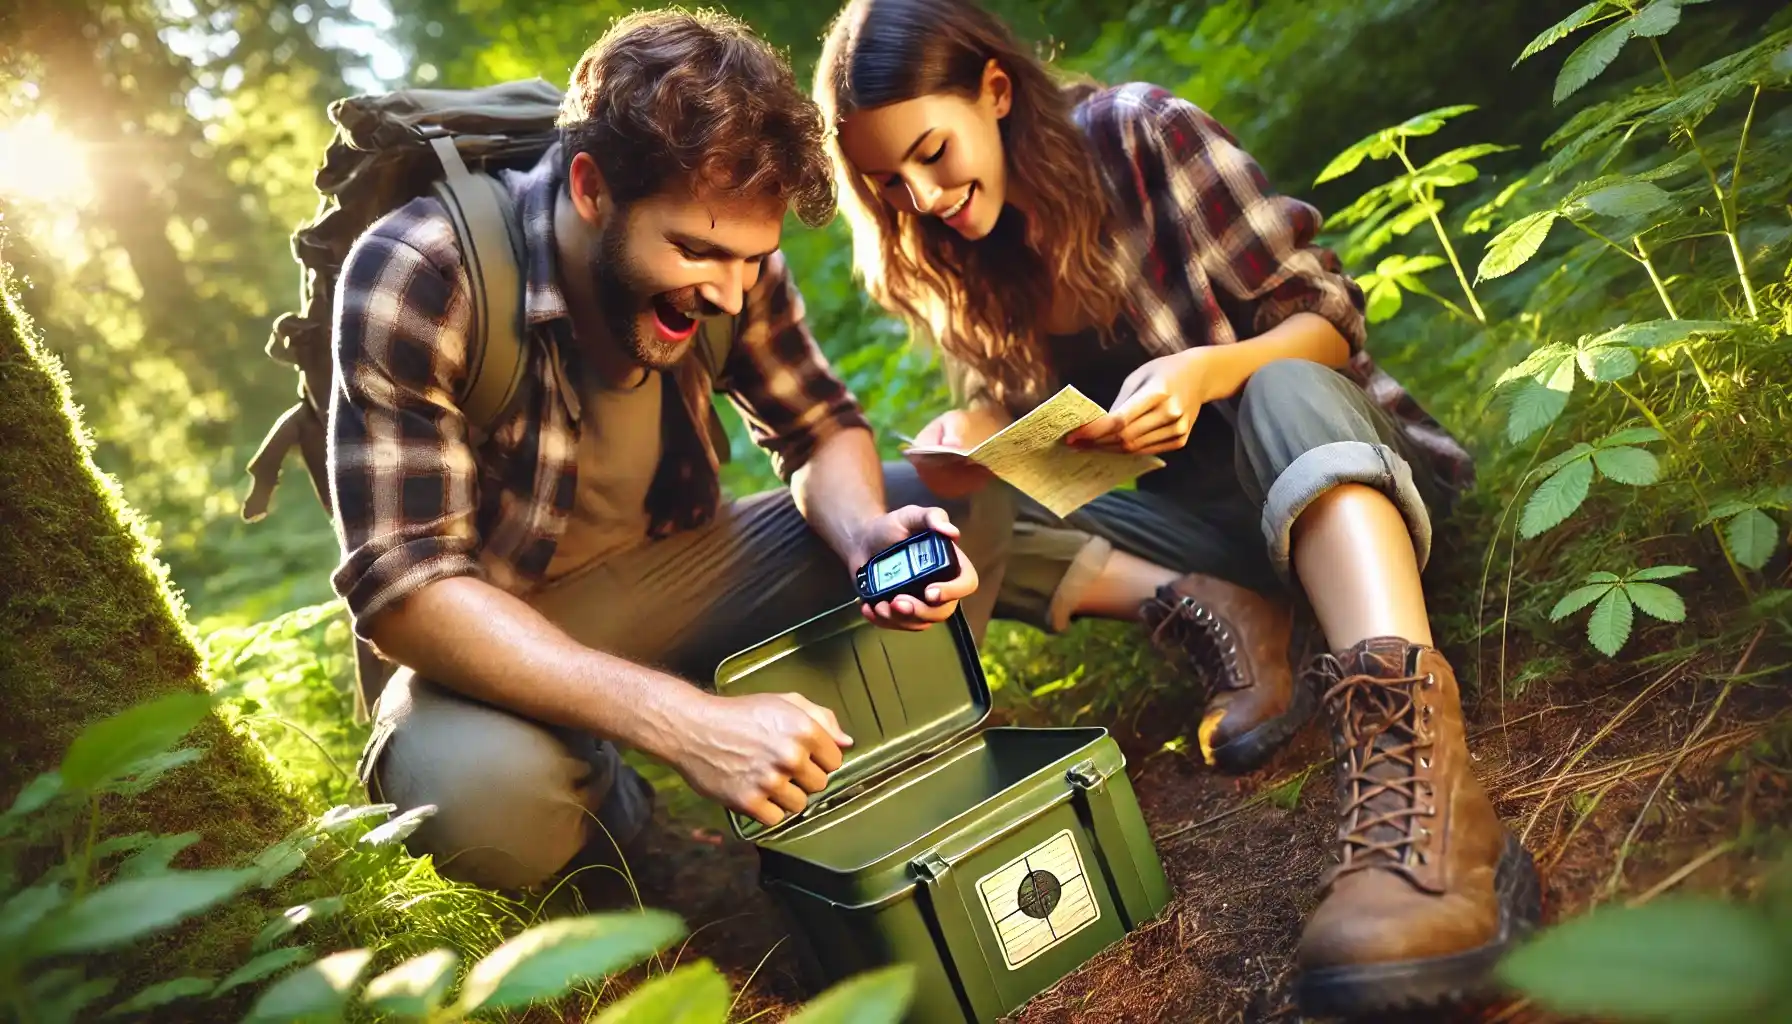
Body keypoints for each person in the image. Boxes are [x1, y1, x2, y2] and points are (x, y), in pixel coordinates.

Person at [813, 0, 1539, 1015]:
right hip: (1195, 531)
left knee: (1281, 387)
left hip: (1341, 491)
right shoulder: (946, 251)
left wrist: (1214, 370)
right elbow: (1038, 429)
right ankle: (1234, 614)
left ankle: (1423, 787)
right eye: (888, 182)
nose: (922, 197)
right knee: (909, 503)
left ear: (994, 88)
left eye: (931, 154)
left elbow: (1325, 323)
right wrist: (972, 437)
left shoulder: (1145, 135)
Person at [325, 9, 1015, 894]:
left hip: (674, 572)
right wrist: (680, 722)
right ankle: (606, 814)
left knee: (957, 496)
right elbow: (404, 590)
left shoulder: (731, 252)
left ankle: (857, 790)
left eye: (750, 258)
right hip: (494, 624)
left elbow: (816, 426)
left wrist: (863, 536)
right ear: (590, 188)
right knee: (480, 805)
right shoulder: (420, 272)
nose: (730, 292)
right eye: (695, 251)